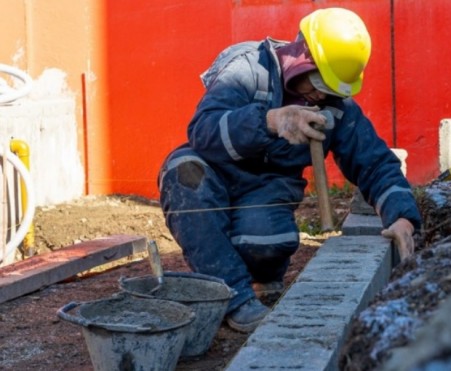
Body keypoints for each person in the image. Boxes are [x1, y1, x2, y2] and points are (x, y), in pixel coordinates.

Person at [158, 7, 422, 333]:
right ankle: (234, 298)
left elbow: (375, 161)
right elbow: (203, 129)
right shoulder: (246, 69)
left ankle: (258, 274)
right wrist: (270, 121)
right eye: (318, 82)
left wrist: (402, 216)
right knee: (182, 172)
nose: (321, 95)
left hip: (268, 188)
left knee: (265, 242)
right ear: (302, 56)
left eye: (331, 89)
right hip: (215, 173)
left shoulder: (333, 106)